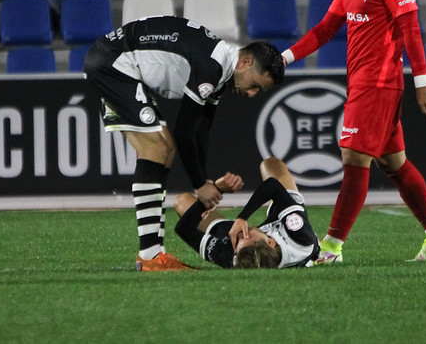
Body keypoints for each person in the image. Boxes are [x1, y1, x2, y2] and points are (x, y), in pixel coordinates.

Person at [280, 0, 426, 264]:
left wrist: (421, 81)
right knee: (394, 163)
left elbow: (410, 31)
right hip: (362, 83)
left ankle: (331, 247)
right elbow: (327, 28)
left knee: (353, 157)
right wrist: (285, 57)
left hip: (378, 84)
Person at [83, 15, 285, 272]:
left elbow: (202, 129)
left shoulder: (220, 70)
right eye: (255, 85)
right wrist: (200, 185)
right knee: (156, 148)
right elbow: (186, 130)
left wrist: (204, 180)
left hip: (114, 60)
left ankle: (154, 255)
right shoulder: (213, 66)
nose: (252, 94)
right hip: (113, 64)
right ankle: (150, 257)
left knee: (163, 150)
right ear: (245, 62)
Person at [174, 156, 320, 269]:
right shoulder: (300, 238)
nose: (239, 234)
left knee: (182, 201)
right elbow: (273, 186)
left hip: (255, 241)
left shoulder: (231, 255)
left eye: (238, 241)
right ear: (270, 242)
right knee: (270, 164)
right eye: (246, 235)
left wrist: (217, 190)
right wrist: (242, 218)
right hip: (283, 224)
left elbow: (183, 229)